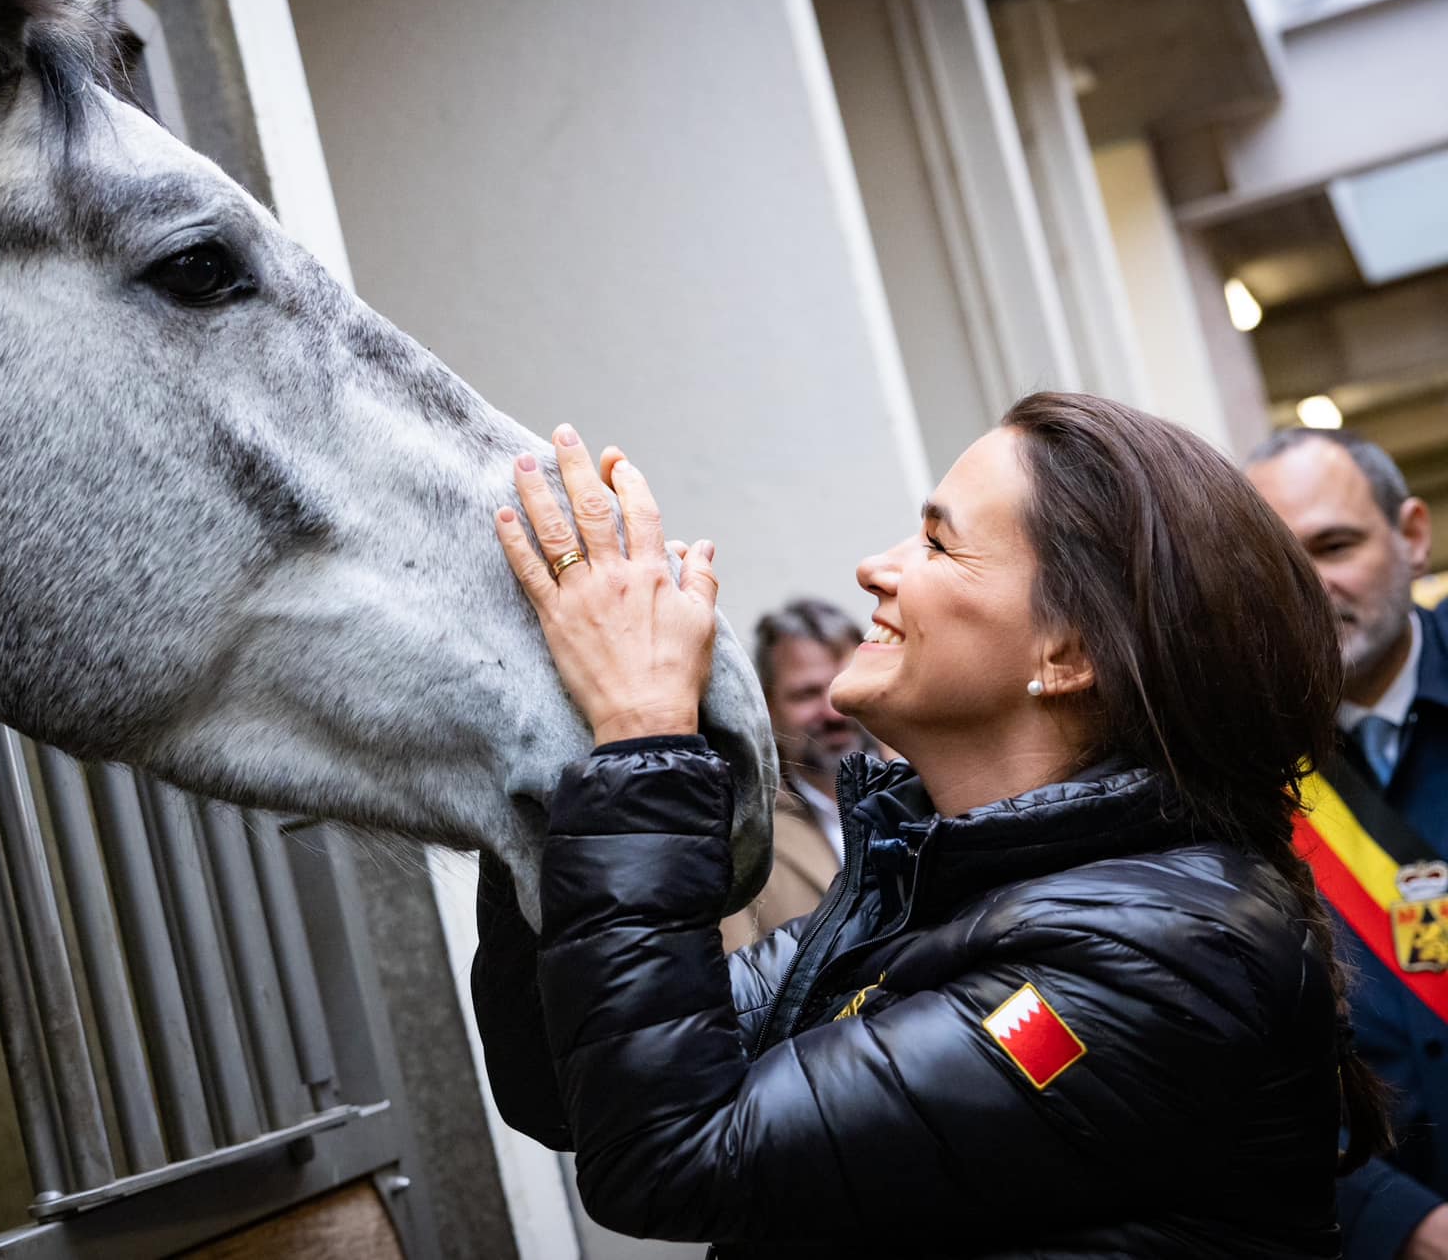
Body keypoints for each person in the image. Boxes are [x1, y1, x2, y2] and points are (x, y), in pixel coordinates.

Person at [472, 393, 1386, 1257]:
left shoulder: (1157, 954)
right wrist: (562, 747)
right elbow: (567, 1082)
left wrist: (640, 738)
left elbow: (678, 1155)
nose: (878, 567)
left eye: (939, 545)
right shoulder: (935, 888)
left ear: (1066, 652)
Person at [1247, 428, 1445, 1260]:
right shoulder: (1224, 774)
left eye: (1335, 546)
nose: (1310, 590)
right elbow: (1228, 1062)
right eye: (1276, 568)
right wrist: (1402, 1223)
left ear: (1411, 535)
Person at [718, 599, 879, 949]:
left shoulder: (929, 788)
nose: (833, 711)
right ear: (767, 707)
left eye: (844, 685)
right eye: (807, 693)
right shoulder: (741, 828)